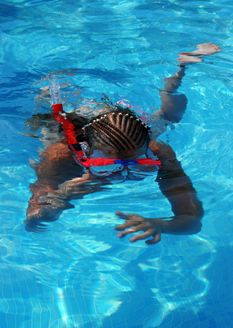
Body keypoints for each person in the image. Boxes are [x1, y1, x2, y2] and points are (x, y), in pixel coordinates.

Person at [25, 43, 220, 245]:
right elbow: (37, 205)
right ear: (89, 150)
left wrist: (159, 224)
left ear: (147, 145)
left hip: (119, 131)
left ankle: (179, 71)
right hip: (76, 131)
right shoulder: (61, 155)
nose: (124, 170)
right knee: (46, 121)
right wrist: (59, 198)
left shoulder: (157, 151)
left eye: (138, 162)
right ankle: (48, 89)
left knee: (169, 117)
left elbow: (192, 221)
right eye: (110, 164)